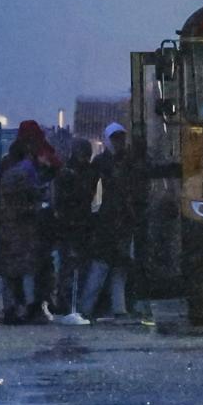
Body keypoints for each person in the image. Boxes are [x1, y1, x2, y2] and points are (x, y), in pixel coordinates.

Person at [0, 120, 61, 324]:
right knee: (28, 269)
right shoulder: (30, 162)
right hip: (26, 224)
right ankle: (30, 306)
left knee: (14, 270)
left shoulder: (11, 161)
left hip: (13, 225)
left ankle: (16, 307)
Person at [81, 122, 136, 320]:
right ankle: (101, 307)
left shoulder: (114, 162)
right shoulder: (109, 163)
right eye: (116, 138)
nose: (119, 142)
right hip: (111, 220)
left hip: (117, 220)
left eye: (120, 138)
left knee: (115, 266)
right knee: (107, 265)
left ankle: (103, 307)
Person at [53, 138, 96, 325]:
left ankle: (74, 304)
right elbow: (69, 198)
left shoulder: (85, 171)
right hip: (70, 225)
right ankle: (68, 304)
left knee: (77, 266)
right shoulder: (67, 173)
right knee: (70, 267)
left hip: (80, 224)